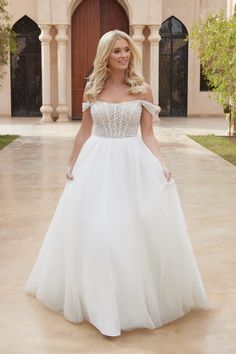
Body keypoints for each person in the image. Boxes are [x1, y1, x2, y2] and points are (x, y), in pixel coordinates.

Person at [25, 30, 209, 337]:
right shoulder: (92, 88)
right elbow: (85, 131)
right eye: (116, 51)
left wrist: (161, 163)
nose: (123, 55)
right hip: (96, 162)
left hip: (131, 163)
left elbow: (148, 134)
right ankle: (101, 306)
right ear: (105, 56)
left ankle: (127, 304)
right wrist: (72, 162)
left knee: (128, 233)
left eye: (126, 50)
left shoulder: (142, 89)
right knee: (98, 233)